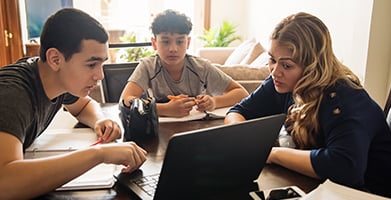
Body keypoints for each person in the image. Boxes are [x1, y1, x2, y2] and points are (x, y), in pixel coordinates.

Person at [224, 12, 391, 199]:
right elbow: (239, 111)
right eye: (272, 60)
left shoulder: (345, 98)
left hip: (374, 192)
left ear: (312, 66)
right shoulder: (282, 82)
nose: (275, 71)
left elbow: (345, 168)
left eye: (287, 65)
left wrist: (273, 154)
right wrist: (242, 140)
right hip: (322, 188)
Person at [0, 8, 147, 199]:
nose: (100, 76)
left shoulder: (54, 78)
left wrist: (99, 121)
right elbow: (5, 183)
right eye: (91, 64)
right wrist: (98, 154)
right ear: (55, 59)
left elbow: (84, 106)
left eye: (102, 64)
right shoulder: (12, 94)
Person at [120, 9, 249, 117]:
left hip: (196, 129)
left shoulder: (201, 67)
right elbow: (125, 99)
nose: (173, 49)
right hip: (161, 129)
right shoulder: (148, 66)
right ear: (154, 44)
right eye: (165, 41)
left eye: (180, 41)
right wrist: (165, 109)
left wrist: (214, 102)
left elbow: (241, 93)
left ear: (188, 43)